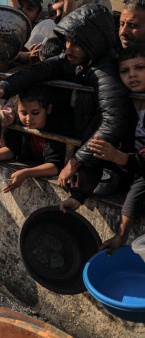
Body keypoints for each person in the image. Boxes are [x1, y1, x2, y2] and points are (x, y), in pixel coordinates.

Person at [0, 4, 135, 209]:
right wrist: (1, 89)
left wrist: (76, 161)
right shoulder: (72, 58)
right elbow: (36, 71)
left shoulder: (106, 71)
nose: (68, 48)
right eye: (67, 40)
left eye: (76, 43)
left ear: (93, 42)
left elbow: (113, 122)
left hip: (100, 156)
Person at [91, 44, 145, 254]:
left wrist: (119, 157)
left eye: (140, 67)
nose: (132, 75)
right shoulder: (123, 101)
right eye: (125, 70)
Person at [0, 86, 69, 192]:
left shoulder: (58, 127)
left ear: (48, 109)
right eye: (23, 113)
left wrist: (27, 173)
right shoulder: (19, 125)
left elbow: (55, 166)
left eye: (35, 113)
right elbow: (13, 148)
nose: (28, 118)